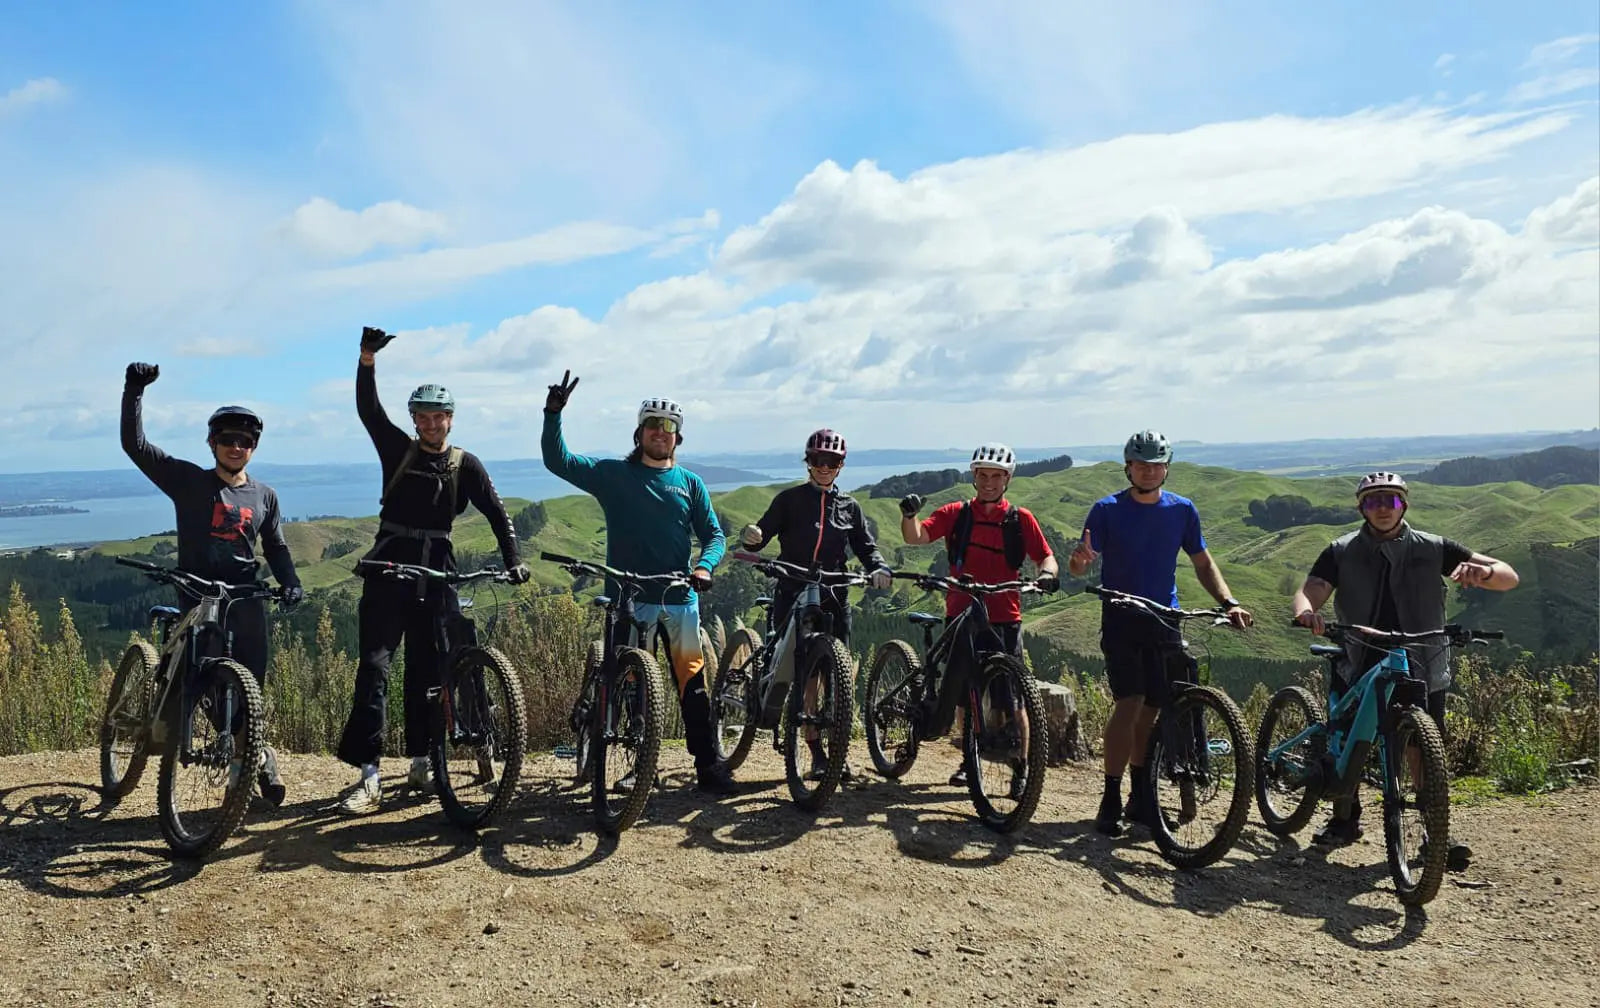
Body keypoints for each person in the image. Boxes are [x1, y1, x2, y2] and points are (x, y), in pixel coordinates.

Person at [335, 327, 529, 815]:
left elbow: (497, 513)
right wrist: (366, 361)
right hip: (389, 565)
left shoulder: (467, 465)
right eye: (423, 418)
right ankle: (369, 774)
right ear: (415, 421)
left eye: (439, 417)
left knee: (429, 673)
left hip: (438, 570)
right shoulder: (398, 450)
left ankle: (422, 761)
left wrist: (514, 560)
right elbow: (368, 412)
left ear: (450, 419)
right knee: (375, 668)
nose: (431, 425)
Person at [1291, 471, 1518, 869]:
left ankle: (1435, 835)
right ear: (1361, 507)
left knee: (1422, 748)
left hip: (1421, 659)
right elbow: (1312, 588)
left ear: (1404, 505)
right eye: (1374, 501)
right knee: (1347, 742)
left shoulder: (1434, 548)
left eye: (1391, 501)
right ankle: (1344, 819)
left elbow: (1507, 576)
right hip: (1360, 655)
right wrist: (1306, 612)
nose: (1382, 508)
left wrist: (1482, 573)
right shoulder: (1341, 550)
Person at [541, 370, 736, 795]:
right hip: (628, 598)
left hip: (679, 598)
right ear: (639, 432)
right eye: (653, 425)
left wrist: (704, 566)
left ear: (678, 438)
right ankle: (635, 766)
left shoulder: (690, 484)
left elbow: (714, 536)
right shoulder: (615, 475)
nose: (660, 433)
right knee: (631, 688)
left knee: (693, 686)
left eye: (669, 427)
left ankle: (708, 768)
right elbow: (560, 462)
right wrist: (553, 414)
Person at [120, 361, 304, 805]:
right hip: (197, 596)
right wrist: (134, 391)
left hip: (245, 599)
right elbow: (136, 446)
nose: (236, 447)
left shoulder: (265, 496)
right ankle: (243, 754)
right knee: (199, 684)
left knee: (249, 691)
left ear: (254, 447)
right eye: (227, 440)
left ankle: (247, 764)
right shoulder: (188, 482)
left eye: (244, 441)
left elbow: (275, 547)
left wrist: (291, 582)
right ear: (212, 443)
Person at [1067, 429, 1252, 837]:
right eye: (1141, 464)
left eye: (1156, 465)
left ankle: (1141, 797)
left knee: (1152, 709)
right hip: (1121, 615)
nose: (1149, 471)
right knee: (1129, 703)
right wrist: (1079, 562)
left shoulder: (1182, 510)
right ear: (1128, 467)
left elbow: (1203, 562)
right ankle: (1110, 798)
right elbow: (1080, 566)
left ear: (1166, 468)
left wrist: (1229, 601)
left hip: (1165, 617)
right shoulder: (1106, 509)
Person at [898, 443, 1060, 790]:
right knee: (962, 692)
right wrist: (909, 514)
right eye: (982, 475)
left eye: (996, 476)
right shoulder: (957, 513)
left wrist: (1047, 575)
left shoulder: (1020, 518)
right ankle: (967, 761)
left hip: (1005, 614)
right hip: (962, 612)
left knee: (1013, 697)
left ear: (1007, 479)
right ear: (974, 477)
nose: (988, 482)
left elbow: (1046, 557)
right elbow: (917, 537)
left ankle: (1021, 769)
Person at [740, 428, 893, 779]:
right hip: (793, 588)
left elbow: (865, 547)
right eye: (817, 460)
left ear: (841, 465)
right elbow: (761, 535)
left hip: (834, 595)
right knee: (802, 672)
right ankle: (814, 749)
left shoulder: (849, 506)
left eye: (832, 461)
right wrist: (753, 540)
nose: (824, 467)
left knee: (834, 675)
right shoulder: (789, 500)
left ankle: (834, 752)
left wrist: (880, 567)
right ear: (808, 462)